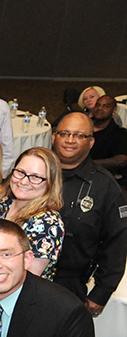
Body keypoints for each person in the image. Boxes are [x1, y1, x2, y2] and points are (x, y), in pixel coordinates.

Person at [51, 112, 127, 313]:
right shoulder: (34, 171)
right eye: (64, 133)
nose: (70, 140)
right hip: (22, 279)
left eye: (79, 135)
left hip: (70, 285)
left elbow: (116, 243)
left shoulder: (105, 186)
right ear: (53, 137)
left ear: (91, 142)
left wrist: (102, 292)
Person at [0, 147, 64, 279]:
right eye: (20, 172)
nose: (24, 181)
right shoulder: (2, 203)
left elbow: (26, 279)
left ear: (50, 183)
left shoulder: (48, 223)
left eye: (36, 177)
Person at [89, 94, 127, 173]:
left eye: (105, 106)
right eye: (97, 105)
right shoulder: (81, 126)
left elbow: (121, 160)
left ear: (114, 110)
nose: (100, 108)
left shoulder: (119, 133)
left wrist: (88, 164)